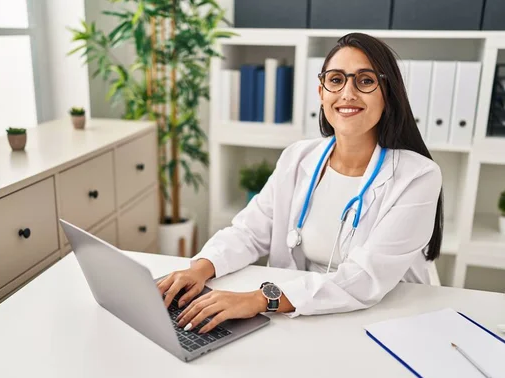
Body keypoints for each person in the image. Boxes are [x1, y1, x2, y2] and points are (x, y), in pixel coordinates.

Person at [157, 32, 444, 334]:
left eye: (365, 81)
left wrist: (258, 300)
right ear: (321, 92)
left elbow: (365, 278)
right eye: (336, 80)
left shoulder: (418, 176)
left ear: (388, 93)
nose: (347, 93)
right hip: (303, 315)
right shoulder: (299, 157)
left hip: (385, 320)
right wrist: (200, 269)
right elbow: (249, 232)